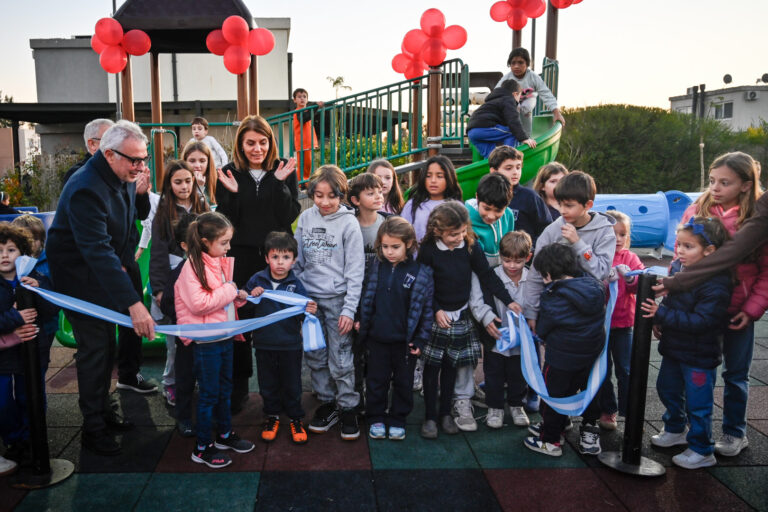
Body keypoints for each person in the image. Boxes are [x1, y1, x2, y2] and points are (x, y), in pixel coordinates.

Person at [47, 120, 155, 455]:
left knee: (108, 347)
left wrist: (138, 195)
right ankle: (92, 429)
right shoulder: (85, 187)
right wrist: (133, 303)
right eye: (134, 160)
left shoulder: (121, 174)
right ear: (108, 153)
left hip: (109, 269)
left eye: (144, 158)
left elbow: (126, 221)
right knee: (95, 351)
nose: (141, 166)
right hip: (81, 280)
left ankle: (104, 412)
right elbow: (96, 249)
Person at [676, 152, 767, 457]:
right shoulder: (698, 210)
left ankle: (733, 432)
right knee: (696, 369)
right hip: (702, 307)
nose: (715, 187)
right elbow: (681, 258)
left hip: (737, 310)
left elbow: (766, 271)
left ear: (745, 185)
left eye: (724, 182)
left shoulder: (756, 220)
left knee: (736, 374)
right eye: (712, 180)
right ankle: (693, 428)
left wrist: (752, 308)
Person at [215, 115, 300, 415]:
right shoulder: (228, 172)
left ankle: (280, 391)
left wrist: (278, 185)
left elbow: (287, 215)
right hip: (239, 258)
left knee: (277, 321)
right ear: (241, 143)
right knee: (239, 323)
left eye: (263, 142)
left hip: (274, 259)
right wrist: (234, 195)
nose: (257, 148)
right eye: (250, 142)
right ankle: (238, 388)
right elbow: (227, 220)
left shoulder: (283, 169)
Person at [416, 202, 518, 438]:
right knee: (431, 370)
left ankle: (446, 413)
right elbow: (422, 285)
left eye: (462, 231)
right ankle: (430, 416)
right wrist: (435, 309)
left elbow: (486, 275)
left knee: (452, 366)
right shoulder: (430, 250)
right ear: (437, 230)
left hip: (461, 315)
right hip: (437, 317)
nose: (459, 237)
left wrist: (508, 299)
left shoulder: (471, 247)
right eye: (453, 234)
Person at [642, 217, 733, 469]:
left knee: (698, 403)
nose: (680, 251)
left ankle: (702, 449)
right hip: (675, 348)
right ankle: (675, 428)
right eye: (679, 244)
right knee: (666, 388)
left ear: (709, 251)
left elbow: (702, 321)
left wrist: (662, 315)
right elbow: (673, 301)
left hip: (699, 356)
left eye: (688, 246)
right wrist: (662, 319)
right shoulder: (680, 272)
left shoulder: (716, 282)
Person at [523, 171, 615, 417]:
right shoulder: (554, 229)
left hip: (589, 317)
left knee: (592, 372)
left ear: (588, 205)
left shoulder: (604, 230)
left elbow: (602, 272)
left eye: (569, 205)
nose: (563, 210)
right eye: (560, 203)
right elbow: (535, 273)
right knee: (557, 372)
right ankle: (557, 422)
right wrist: (531, 311)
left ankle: (591, 424)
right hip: (559, 316)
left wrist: (578, 244)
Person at [174, 212, 254, 469]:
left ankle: (223, 435)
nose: (229, 247)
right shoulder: (192, 268)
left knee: (224, 389)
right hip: (207, 341)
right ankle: (202, 447)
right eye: (224, 242)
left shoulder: (216, 263)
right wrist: (231, 290)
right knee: (209, 394)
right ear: (205, 241)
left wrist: (237, 296)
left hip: (224, 335)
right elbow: (200, 304)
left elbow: (221, 297)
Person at [294, 165, 365, 440]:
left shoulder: (349, 224)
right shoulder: (305, 218)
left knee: (341, 356)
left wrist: (349, 309)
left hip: (338, 300)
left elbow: (355, 271)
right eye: (319, 195)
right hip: (310, 301)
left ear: (342, 194)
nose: (324, 202)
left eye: (331, 196)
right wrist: (302, 297)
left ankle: (348, 405)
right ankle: (327, 401)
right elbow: (297, 261)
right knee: (315, 353)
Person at [523, 243, 606, 457]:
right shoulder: (594, 287)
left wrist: (539, 334)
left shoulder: (552, 296)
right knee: (590, 392)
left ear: (549, 274)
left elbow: (544, 327)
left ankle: (551, 439)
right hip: (590, 354)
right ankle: (589, 432)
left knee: (554, 396)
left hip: (560, 358)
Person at [358, 217, 434, 441]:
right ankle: (376, 417)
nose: (389, 252)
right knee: (376, 381)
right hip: (377, 339)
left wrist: (420, 341)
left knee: (403, 383)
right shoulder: (375, 267)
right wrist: (361, 320)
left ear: (409, 244)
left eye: (395, 247)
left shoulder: (421, 273)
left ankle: (398, 418)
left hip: (404, 343)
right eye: (385, 246)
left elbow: (426, 311)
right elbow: (366, 297)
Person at [457, 172, 516, 430]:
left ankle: (494, 391)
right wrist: (480, 308)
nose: (491, 215)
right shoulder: (465, 218)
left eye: (498, 210)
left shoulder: (510, 217)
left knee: (494, 342)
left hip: (497, 282)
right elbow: (471, 271)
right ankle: (462, 395)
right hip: (472, 282)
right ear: (477, 199)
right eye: (486, 208)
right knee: (469, 345)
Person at [246, 232, 317, 445]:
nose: (280, 262)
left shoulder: (297, 283)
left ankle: (296, 417)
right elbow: (244, 305)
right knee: (267, 382)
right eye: (275, 257)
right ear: (267, 258)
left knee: (292, 382)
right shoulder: (257, 280)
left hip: (290, 344)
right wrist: (251, 295)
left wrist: (310, 309)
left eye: (286, 258)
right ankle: (272, 416)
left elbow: (304, 310)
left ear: (294, 260)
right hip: (264, 342)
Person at [149, 161, 210, 406]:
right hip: (175, 278)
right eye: (178, 182)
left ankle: (190, 380)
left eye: (188, 181)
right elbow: (158, 254)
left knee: (198, 336)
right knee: (176, 339)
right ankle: (171, 382)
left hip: (199, 276)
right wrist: (159, 289)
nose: (184, 186)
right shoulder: (164, 212)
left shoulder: (201, 204)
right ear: (169, 185)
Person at [0, 223, 55, 466]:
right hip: (5, 358)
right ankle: (14, 438)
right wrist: (15, 317)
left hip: (33, 354)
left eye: (10, 250)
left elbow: (52, 309)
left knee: (31, 397)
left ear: (23, 253)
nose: (4, 256)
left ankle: (31, 438)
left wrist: (40, 290)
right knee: (3, 401)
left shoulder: (34, 277)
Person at [469, 231, 532, 429]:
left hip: (521, 341)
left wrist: (532, 319)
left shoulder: (531, 278)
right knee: (493, 374)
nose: (512, 266)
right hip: (496, 337)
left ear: (527, 257)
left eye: (518, 261)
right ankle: (494, 407)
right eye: (507, 260)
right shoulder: (492, 276)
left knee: (518, 374)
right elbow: (478, 301)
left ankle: (516, 405)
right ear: (500, 255)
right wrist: (487, 319)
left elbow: (535, 303)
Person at [597, 210, 644, 430]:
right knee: (602, 369)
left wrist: (631, 277)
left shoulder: (631, 258)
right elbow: (590, 284)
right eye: (613, 233)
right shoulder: (599, 257)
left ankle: (629, 409)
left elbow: (640, 286)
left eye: (622, 234)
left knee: (625, 369)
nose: (617, 239)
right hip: (601, 327)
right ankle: (608, 410)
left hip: (624, 325)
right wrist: (606, 280)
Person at [159, 213, 197, 437]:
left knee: (211, 379)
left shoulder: (218, 270)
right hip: (186, 339)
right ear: (184, 246)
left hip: (210, 340)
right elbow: (167, 305)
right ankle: (184, 417)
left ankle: (208, 415)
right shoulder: (179, 273)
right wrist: (186, 315)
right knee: (184, 379)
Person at [11, 215, 59, 375]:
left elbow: (55, 299)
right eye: (23, 238)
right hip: (16, 325)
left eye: (34, 238)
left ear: (42, 240)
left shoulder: (50, 263)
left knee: (39, 364)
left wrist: (40, 285)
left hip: (45, 327)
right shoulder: (10, 264)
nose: (29, 243)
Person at [489, 146, 552, 249]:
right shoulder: (487, 195)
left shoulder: (530, 196)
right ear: (494, 171)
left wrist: (531, 248)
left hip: (524, 258)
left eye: (518, 167)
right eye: (508, 168)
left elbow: (547, 228)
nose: (515, 172)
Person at [495, 47, 566, 131]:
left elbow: (546, 94)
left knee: (527, 107)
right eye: (513, 63)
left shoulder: (532, 77)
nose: (516, 66)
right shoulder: (507, 78)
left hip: (526, 104)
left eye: (520, 63)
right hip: (511, 104)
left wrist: (556, 113)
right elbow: (495, 94)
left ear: (527, 64)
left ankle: (526, 136)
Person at [467, 79, 537, 160]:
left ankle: (493, 169)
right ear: (515, 94)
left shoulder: (493, 101)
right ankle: (508, 157)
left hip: (472, 133)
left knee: (492, 157)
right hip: (484, 128)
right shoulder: (509, 99)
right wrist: (524, 138)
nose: (518, 100)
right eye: (519, 97)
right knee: (513, 132)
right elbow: (513, 121)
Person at [402, 155, 463, 243]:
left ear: (449, 178)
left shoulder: (457, 207)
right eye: (428, 176)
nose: (433, 180)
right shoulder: (412, 205)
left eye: (439, 176)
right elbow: (402, 234)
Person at [348, 173, 387, 269]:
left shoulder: (388, 224)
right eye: (371, 193)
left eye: (380, 192)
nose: (378, 196)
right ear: (356, 200)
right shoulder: (347, 226)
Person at [63, 118, 115, 184]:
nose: (116, 145)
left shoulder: (120, 169)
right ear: (92, 144)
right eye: (109, 140)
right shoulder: (77, 175)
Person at [292, 88, 324, 182]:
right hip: (302, 143)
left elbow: (308, 116)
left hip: (307, 142)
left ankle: (303, 181)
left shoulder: (306, 111)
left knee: (307, 164)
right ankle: (300, 182)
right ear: (295, 100)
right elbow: (304, 118)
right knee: (303, 165)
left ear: (307, 99)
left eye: (304, 97)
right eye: (299, 97)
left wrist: (315, 107)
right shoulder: (298, 111)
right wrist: (315, 106)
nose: (302, 99)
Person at [183, 141, 218, 207]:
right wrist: (199, 188)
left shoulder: (217, 181)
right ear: (185, 162)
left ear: (208, 163)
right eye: (192, 161)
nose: (197, 165)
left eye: (202, 161)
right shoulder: (180, 184)